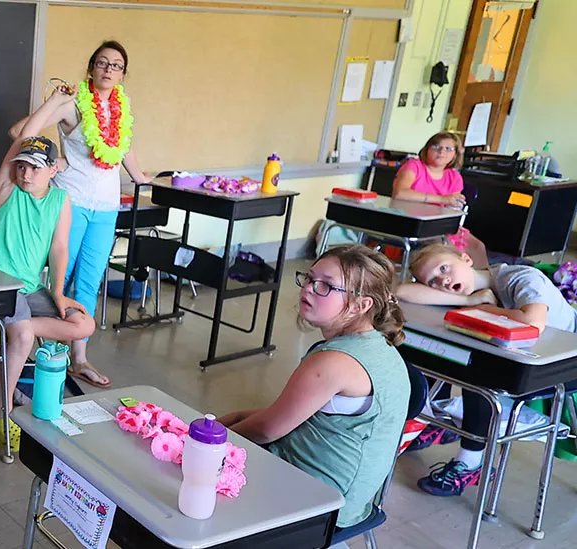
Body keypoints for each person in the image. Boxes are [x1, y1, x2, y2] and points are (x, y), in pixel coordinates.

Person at [218, 245, 409, 531]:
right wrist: (233, 419)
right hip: (353, 498)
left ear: (361, 305)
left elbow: (268, 429)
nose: (308, 289)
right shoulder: (380, 348)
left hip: (320, 503)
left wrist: (212, 439)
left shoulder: (332, 362)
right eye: (309, 279)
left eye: (325, 286)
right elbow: (289, 414)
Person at [8, 40, 150, 388]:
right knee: (60, 277)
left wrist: (140, 177)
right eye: (102, 63)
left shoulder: (121, 109)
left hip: (106, 206)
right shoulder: (73, 105)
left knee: (88, 281)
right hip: (71, 202)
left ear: (122, 74)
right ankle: (45, 353)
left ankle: (79, 358)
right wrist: (56, 157)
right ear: (91, 68)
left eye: (116, 65)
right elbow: (20, 131)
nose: (108, 69)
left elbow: (123, 149)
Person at [397, 244, 577, 496]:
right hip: (521, 356)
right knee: (439, 353)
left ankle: (471, 463)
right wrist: (468, 300)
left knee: (479, 374)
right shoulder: (473, 291)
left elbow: (533, 322)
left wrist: (481, 308)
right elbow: (402, 291)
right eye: (433, 281)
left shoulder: (520, 277)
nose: (443, 280)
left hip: (561, 362)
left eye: (444, 267)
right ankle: (439, 422)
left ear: (466, 258)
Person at [0, 134, 96, 452]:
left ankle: (19, 332)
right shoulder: (7, 191)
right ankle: (1, 414)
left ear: (54, 169)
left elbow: (59, 248)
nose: (26, 174)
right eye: (21, 166)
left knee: (83, 324)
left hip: (30, 289)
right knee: (24, 337)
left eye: (35, 168)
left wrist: (57, 293)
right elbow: (15, 148)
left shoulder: (60, 200)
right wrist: (52, 104)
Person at [391, 132, 488, 268]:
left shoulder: (454, 177)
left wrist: (454, 206)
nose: (442, 151)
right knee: (445, 247)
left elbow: (452, 206)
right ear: (427, 149)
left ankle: (479, 283)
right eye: (436, 146)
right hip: (410, 222)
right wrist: (442, 199)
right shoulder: (414, 166)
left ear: (455, 155)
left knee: (478, 247)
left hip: (439, 224)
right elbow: (400, 193)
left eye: (448, 149)